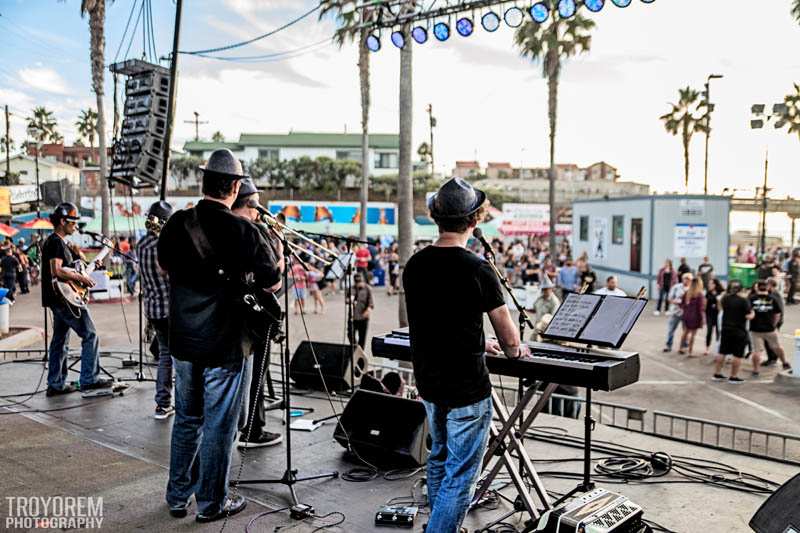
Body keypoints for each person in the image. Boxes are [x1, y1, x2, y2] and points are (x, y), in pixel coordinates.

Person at [158, 149, 282, 522]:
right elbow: (271, 283)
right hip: (225, 344)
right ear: (233, 187)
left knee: (186, 420)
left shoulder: (177, 224)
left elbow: (167, 268)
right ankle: (212, 503)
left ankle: (178, 496)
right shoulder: (245, 230)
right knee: (219, 426)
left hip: (183, 340)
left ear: (204, 182)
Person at [403, 177, 530, 533]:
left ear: (434, 217)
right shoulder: (478, 268)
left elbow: (440, 319)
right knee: (461, 477)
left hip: (430, 382)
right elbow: (508, 335)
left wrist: (477, 339)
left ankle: (440, 522)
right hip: (467, 390)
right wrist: (514, 349)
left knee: (440, 458)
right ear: (474, 222)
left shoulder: (415, 265)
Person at [230, 178, 284, 448]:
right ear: (251, 204)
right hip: (254, 317)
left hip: (230, 316)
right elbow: (273, 281)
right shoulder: (255, 230)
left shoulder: (224, 227)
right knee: (255, 375)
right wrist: (281, 254)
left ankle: (246, 425)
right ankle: (252, 429)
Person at [42, 202, 112, 396]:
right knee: (90, 334)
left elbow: (70, 269)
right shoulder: (56, 241)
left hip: (59, 298)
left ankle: (56, 384)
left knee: (60, 340)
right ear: (63, 221)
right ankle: (90, 379)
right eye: (72, 222)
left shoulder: (59, 242)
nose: (75, 226)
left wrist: (87, 269)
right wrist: (81, 278)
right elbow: (57, 270)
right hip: (65, 300)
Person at [137, 200, 175, 420]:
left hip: (152, 308)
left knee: (164, 356)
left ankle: (162, 404)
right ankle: (166, 403)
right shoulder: (166, 247)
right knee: (174, 357)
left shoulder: (141, 245)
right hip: (169, 308)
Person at [712, 281, 754, 383]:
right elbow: (748, 316)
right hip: (739, 330)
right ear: (741, 290)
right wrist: (753, 313)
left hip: (726, 328)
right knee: (737, 354)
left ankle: (717, 374)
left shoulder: (725, 299)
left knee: (722, 352)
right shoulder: (743, 301)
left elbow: (720, 307)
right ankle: (733, 376)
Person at [748, 280, 791, 377]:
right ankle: (784, 362)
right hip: (769, 329)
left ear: (757, 287)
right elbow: (777, 314)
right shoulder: (773, 298)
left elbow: (748, 312)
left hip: (755, 329)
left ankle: (756, 370)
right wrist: (774, 325)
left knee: (757, 351)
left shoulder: (751, 299)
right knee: (776, 346)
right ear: (767, 288)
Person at [663, 272, 693, 353]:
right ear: (683, 279)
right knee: (671, 329)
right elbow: (669, 299)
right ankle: (668, 345)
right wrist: (677, 302)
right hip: (675, 312)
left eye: (689, 279)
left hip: (686, 313)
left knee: (685, 331)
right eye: (685, 279)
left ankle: (684, 346)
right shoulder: (676, 287)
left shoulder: (692, 289)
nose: (687, 281)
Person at [679, 278, 705, 356]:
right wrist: (702, 319)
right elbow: (700, 309)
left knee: (685, 332)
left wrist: (686, 308)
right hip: (695, 317)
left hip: (686, 315)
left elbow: (681, 304)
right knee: (693, 335)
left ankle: (680, 347)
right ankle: (690, 351)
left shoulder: (687, 292)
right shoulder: (699, 295)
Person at [350, 273, 373, 350]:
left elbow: (371, 303)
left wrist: (368, 310)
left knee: (362, 337)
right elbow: (347, 300)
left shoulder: (367, 289)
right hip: (353, 317)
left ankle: (360, 353)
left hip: (363, 317)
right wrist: (350, 300)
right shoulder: (352, 289)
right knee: (350, 334)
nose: (359, 284)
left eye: (360, 282)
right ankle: (356, 348)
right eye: (357, 282)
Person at [704, 278, 724, 356]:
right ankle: (707, 348)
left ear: (715, 285)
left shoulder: (721, 292)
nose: (709, 285)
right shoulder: (708, 293)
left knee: (718, 332)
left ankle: (718, 348)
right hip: (709, 314)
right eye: (709, 284)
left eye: (711, 284)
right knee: (709, 331)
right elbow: (705, 304)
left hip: (718, 314)